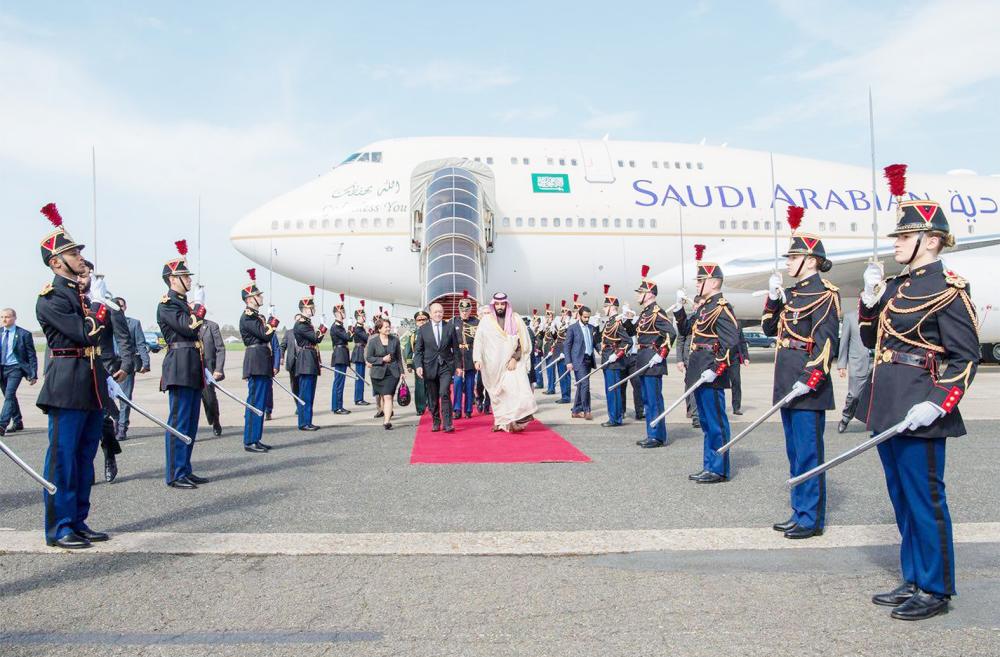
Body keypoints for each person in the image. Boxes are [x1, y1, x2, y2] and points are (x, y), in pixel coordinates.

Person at [854, 172, 978, 620]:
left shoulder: (949, 291)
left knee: (925, 497)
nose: (896, 243)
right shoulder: (896, 288)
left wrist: (939, 401)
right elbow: (871, 341)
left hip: (921, 406)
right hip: (888, 403)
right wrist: (869, 301)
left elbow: (965, 359)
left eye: (904, 235)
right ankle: (913, 576)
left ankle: (936, 587)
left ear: (929, 240)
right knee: (901, 497)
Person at [34, 203, 110, 548]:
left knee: (84, 457)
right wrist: (99, 306)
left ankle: (79, 519)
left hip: (90, 384)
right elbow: (85, 332)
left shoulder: (79, 294)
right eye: (72, 253)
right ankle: (60, 526)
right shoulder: (51, 298)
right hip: (66, 384)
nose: (80, 257)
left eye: (78, 251)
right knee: (62, 460)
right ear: (56, 262)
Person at [762, 206, 841, 539]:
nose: (788, 263)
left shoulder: (825, 295)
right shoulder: (790, 295)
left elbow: (825, 346)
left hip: (808, 387)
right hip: (786, 383)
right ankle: (798, 511)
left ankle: (810, 518)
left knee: (809, 454)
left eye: (793, 257)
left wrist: (808, 381)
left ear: (810, 260)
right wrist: (772, 300)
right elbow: (769, 329)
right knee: (794, 453)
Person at [674, 253, 740, 484]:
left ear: (712, 282)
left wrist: (717, 368)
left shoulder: (721, 308)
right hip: (699, 368)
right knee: (705, 422)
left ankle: (719, 468)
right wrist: (679, 310)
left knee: (716, 422)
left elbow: (732, 341)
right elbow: (685, 330)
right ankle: (709, 465)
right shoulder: (704, 308)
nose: (696, 283)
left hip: (711, 371)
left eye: (700, 280)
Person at [158, 240, 207, 489]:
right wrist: (198, 308)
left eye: (188, 276)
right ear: (172, 279)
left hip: (191, 367)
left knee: (190, 422)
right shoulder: (167, 304)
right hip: (179, 367)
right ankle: (175, 473)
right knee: (178, 422)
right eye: (184, 276)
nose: (189, 280)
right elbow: (188, 327)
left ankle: (185, 468)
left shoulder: (182, 304)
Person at [79, 261, 134, 484]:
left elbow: (123, 339)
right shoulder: (72, 301)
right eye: (78, 275)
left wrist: (126, 366)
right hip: (77, 367)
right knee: (80, 420)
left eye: (84, 275)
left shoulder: (109, 305)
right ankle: (85, 468)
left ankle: (109, 455)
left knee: (103, 420)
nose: (80, 279)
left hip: (104, 366)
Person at [473, 292, 538, 432]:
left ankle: (516, 419)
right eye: (497, 304)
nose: (500, 306)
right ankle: (501, 421)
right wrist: (477, 359)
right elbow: (479, 341)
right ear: (493, 305)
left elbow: (523, 341)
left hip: (512, 364)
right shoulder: (486, 321)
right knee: (497, 396)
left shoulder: (515, 319)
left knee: (516, 391)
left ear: (507, 304)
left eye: (502, 304)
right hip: (492, 366)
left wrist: (515, 358)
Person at [633, 265, 677, 448]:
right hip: (643, 358)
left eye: (640, 292)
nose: (637, 295)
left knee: (654, 399)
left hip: (653, 360)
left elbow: (671, 333)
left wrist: (661, 354)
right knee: (646, 399)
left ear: (649, 294)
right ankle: (651, 432)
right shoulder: (645, 313)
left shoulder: (657, 312)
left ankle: (657, 436)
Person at [240, 269, 276, 453]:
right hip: (256, 362)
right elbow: (264, 335)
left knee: (260, 402)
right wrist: (272, 323)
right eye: (257, 295)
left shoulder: (256, 317)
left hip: (262, 361)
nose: (260, 298)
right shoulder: (248, 317)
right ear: (249, 299)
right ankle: (250, 440)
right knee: (254, 402)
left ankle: (256, 438)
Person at [413, 301, 462, 433]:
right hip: (429, 367)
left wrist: (458, 366)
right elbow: (418, 351)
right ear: (430, 314)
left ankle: (447, 423)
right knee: (433, 397)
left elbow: (456, 349)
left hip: (446, 365)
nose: (438, 314)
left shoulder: (449, 327)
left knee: (444, 392)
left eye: (440, 311)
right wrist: (418, 366)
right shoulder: (423, 329)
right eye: (435, 312)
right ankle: (436, 421)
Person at [112, 297, 151, 441]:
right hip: (109, 363)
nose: (119, 309)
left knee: (125, 398)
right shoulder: (106, 323)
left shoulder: (134, 323)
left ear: (125, 307)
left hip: (126, 364)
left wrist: (145, 363)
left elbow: (141, 344)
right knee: (106, 398)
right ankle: (114, 421)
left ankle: (122, 428)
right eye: (116, 306)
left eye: (121, 306)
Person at [0, 308, 38, 436]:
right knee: (8, 396)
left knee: (10, 395)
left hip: (15, 368)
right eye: (2, 317)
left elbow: (31, 355)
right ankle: (18, 421)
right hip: (1, 368)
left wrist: (33, 373)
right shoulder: (0, 332)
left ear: (14, 318)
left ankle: (2, 424)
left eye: (7, 317)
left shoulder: (23, 334)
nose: (4, 319)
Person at [293, 285, 325, 431]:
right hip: (306, 360)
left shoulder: (307, 323)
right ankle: (303, 422)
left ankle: (308, 421)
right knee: (305, 393)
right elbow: (315, 338)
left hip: (310, 359)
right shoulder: (301, 325)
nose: (314, 310)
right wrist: (322, 328)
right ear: (306, 309)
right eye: (312, 308)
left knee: (310, 394)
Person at [837, 307, 872, 433]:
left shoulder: (880, 314)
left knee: (879, 394)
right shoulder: (850, 317)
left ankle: (878, 422)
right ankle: (846, 418)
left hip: (877, 361)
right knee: (855, 394)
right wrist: (842, 364)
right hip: (858, 362)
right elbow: (844, 342)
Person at [598, 287, 629, 428]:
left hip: (614, 363)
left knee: (614, 392)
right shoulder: (610, 322)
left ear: (611, 307)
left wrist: (616, 355)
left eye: (606, 306)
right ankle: (613, 416)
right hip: (607, 361)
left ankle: (615, 418)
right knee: (609, 391)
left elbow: (628, 341)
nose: (604, 309)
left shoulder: (617, 322)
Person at [195, 292, 226, 437]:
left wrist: (219, 369)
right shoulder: (188, 327)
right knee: (193, 401)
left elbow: (220, 348)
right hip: (193, 369)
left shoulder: (212, 326)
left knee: (210, 398)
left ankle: (216, 422)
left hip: (208, 369)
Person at [366, 316, 404, 430]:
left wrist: (402, 372)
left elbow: (398, 357)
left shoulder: (395, 340)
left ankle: (387, 421)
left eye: (389, 326)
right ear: (379, 329)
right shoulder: (373, 342)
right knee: (383, 396)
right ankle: (386, 412)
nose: (389, 329)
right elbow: (369, 357)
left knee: (388, 396)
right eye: (386, 327)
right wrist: (382, 359)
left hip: (392, 373)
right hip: (378, 373)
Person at [564, 305, 597, 420]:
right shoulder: (573, 328)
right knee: (585, 385)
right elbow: (567, 346)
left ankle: (576, 411)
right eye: (585, 317)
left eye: (588, 317)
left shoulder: (592, 328)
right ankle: (587, 410)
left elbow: (595, 343)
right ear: (579, 315)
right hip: (578, 360)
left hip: (588, 359)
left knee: (581, 385)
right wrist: (568, 362)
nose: (587, 319)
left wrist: (602, 350)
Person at [675, 295, 703, 428]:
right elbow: (680, 340)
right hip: (689, 356)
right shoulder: (690, 319)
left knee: (696, 386)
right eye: (698, 305)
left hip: (702, 356)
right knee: (690, 385)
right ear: (694, 306)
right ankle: (692, 411)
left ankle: (696, 414)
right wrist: (679, 360)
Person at [451, 292, 479, 419]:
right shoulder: (453, 322)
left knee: (469, 384)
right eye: (462, 310)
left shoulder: (476, 322)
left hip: (471, 357)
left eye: (467, 310)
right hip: (457, 358)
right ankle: (457, 409)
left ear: (470, 310)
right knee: (457, 383)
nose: (464, 312)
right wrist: (456, 363)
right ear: (459, 309)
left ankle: (468, 410)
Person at [401, 310, 429, 415]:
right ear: (416, 322)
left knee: (431, 385)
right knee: (420, 386)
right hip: (418, 363)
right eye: (419, 320)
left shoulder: (432, 332)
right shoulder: (413, 335)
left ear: (428, 320)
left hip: (431, 362)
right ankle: (420, 407)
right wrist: (408, 364)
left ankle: (431, 404)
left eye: (424, 319)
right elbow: (408, 349)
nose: (421, 321)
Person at [620, 305, 645, 421]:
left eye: (631, 312)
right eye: (627, 312)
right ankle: (621, 411)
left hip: (634, 357)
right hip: (623, 357)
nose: (629, 314)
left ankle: (639, 411)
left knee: (637, 385)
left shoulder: (637, 323)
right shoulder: (620, 323)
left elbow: (633, 331)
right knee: (621, 386)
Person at [329, 294, 351, 415]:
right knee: (339, 382)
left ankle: (336, 406)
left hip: (341, 354)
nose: (344, 313)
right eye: (343, 311)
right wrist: (351, 328)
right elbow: (348, 337)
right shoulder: (337, 327)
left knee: (339, 382)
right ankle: (337, 406)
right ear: (338, 313)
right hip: (340, 355)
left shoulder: (339, 326)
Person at [350, 303, 371, 407]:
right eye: (363, 316)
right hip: (359, 352)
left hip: (361, 351)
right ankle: (358, 399)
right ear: (358, 317)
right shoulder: (358, 329)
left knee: (361, 376)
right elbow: (367, 338)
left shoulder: (361, 327)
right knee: (359, 377)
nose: (364, 318)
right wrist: (367, 331)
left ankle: (360, 398)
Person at [730, 327, 749, 415]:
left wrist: (746, 357)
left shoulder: (737, 324)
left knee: (736, 382)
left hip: (734, 358)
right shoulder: (719, 321)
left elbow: (742, 342)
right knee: (717, 383)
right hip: (721, 357)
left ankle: (736, 407)